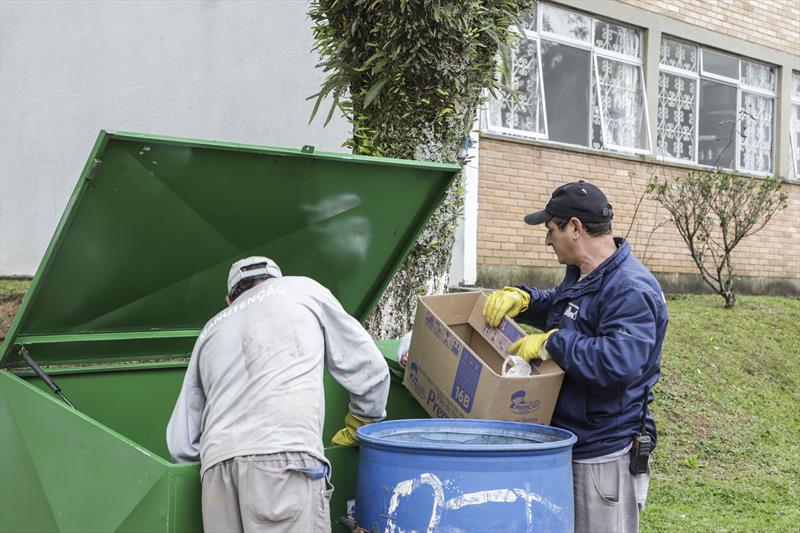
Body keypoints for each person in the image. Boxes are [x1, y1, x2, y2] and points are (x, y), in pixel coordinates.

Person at [482, 181, 667, 533]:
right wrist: (525, 300)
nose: (547, 240)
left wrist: (555, 345)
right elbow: (566, 310)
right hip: (570, 440)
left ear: (575, 228)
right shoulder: (587, 274)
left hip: (603, 454)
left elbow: (619, 361)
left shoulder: (630, 289)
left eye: (551, 229)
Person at [166, 256, 390, 533]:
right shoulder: (302, 290)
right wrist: (362, 420)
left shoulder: (210, 329)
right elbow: (371, 370)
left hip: (216, 475)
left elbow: (181, 443)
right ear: (276, 280)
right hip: (284, 461)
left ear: (229, 299)